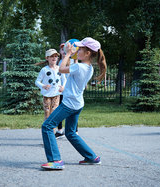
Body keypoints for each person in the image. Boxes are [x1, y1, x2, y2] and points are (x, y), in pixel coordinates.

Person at [41, 37, 107, 170]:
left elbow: (61, 69)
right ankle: (91, 157)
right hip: (77, 103)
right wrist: (68, 53)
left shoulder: (79, 67)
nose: (77, 50)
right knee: (70, 133)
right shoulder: (88, 67)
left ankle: (55, 160)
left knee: (47, 126)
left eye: (80, 48)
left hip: (69, 104)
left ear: (87, 53)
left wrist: (68, 54)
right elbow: (69, 67)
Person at [35, 49, 66, 124]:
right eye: (52, 56)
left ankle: (52, 132)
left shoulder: (60, 68)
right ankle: (46, 130)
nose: (54, 58)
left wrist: (63, 86)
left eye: (56, 56)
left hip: (56, 94)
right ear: (47, 58)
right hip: (47, 95)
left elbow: (64, 79)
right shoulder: (44, 70)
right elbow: (37, 81)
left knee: (54, 114)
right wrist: (43, 86)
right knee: (47, 114)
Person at [55, 43, 79, 139]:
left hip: (69, 90)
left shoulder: (73, 61)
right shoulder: (60, 61)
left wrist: (75, 57)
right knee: (59, 109)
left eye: (65, 49)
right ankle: (60, 130)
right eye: (62, 49)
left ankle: (75, 130)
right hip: (61, 90)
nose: (63, 51)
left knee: (72, 111)